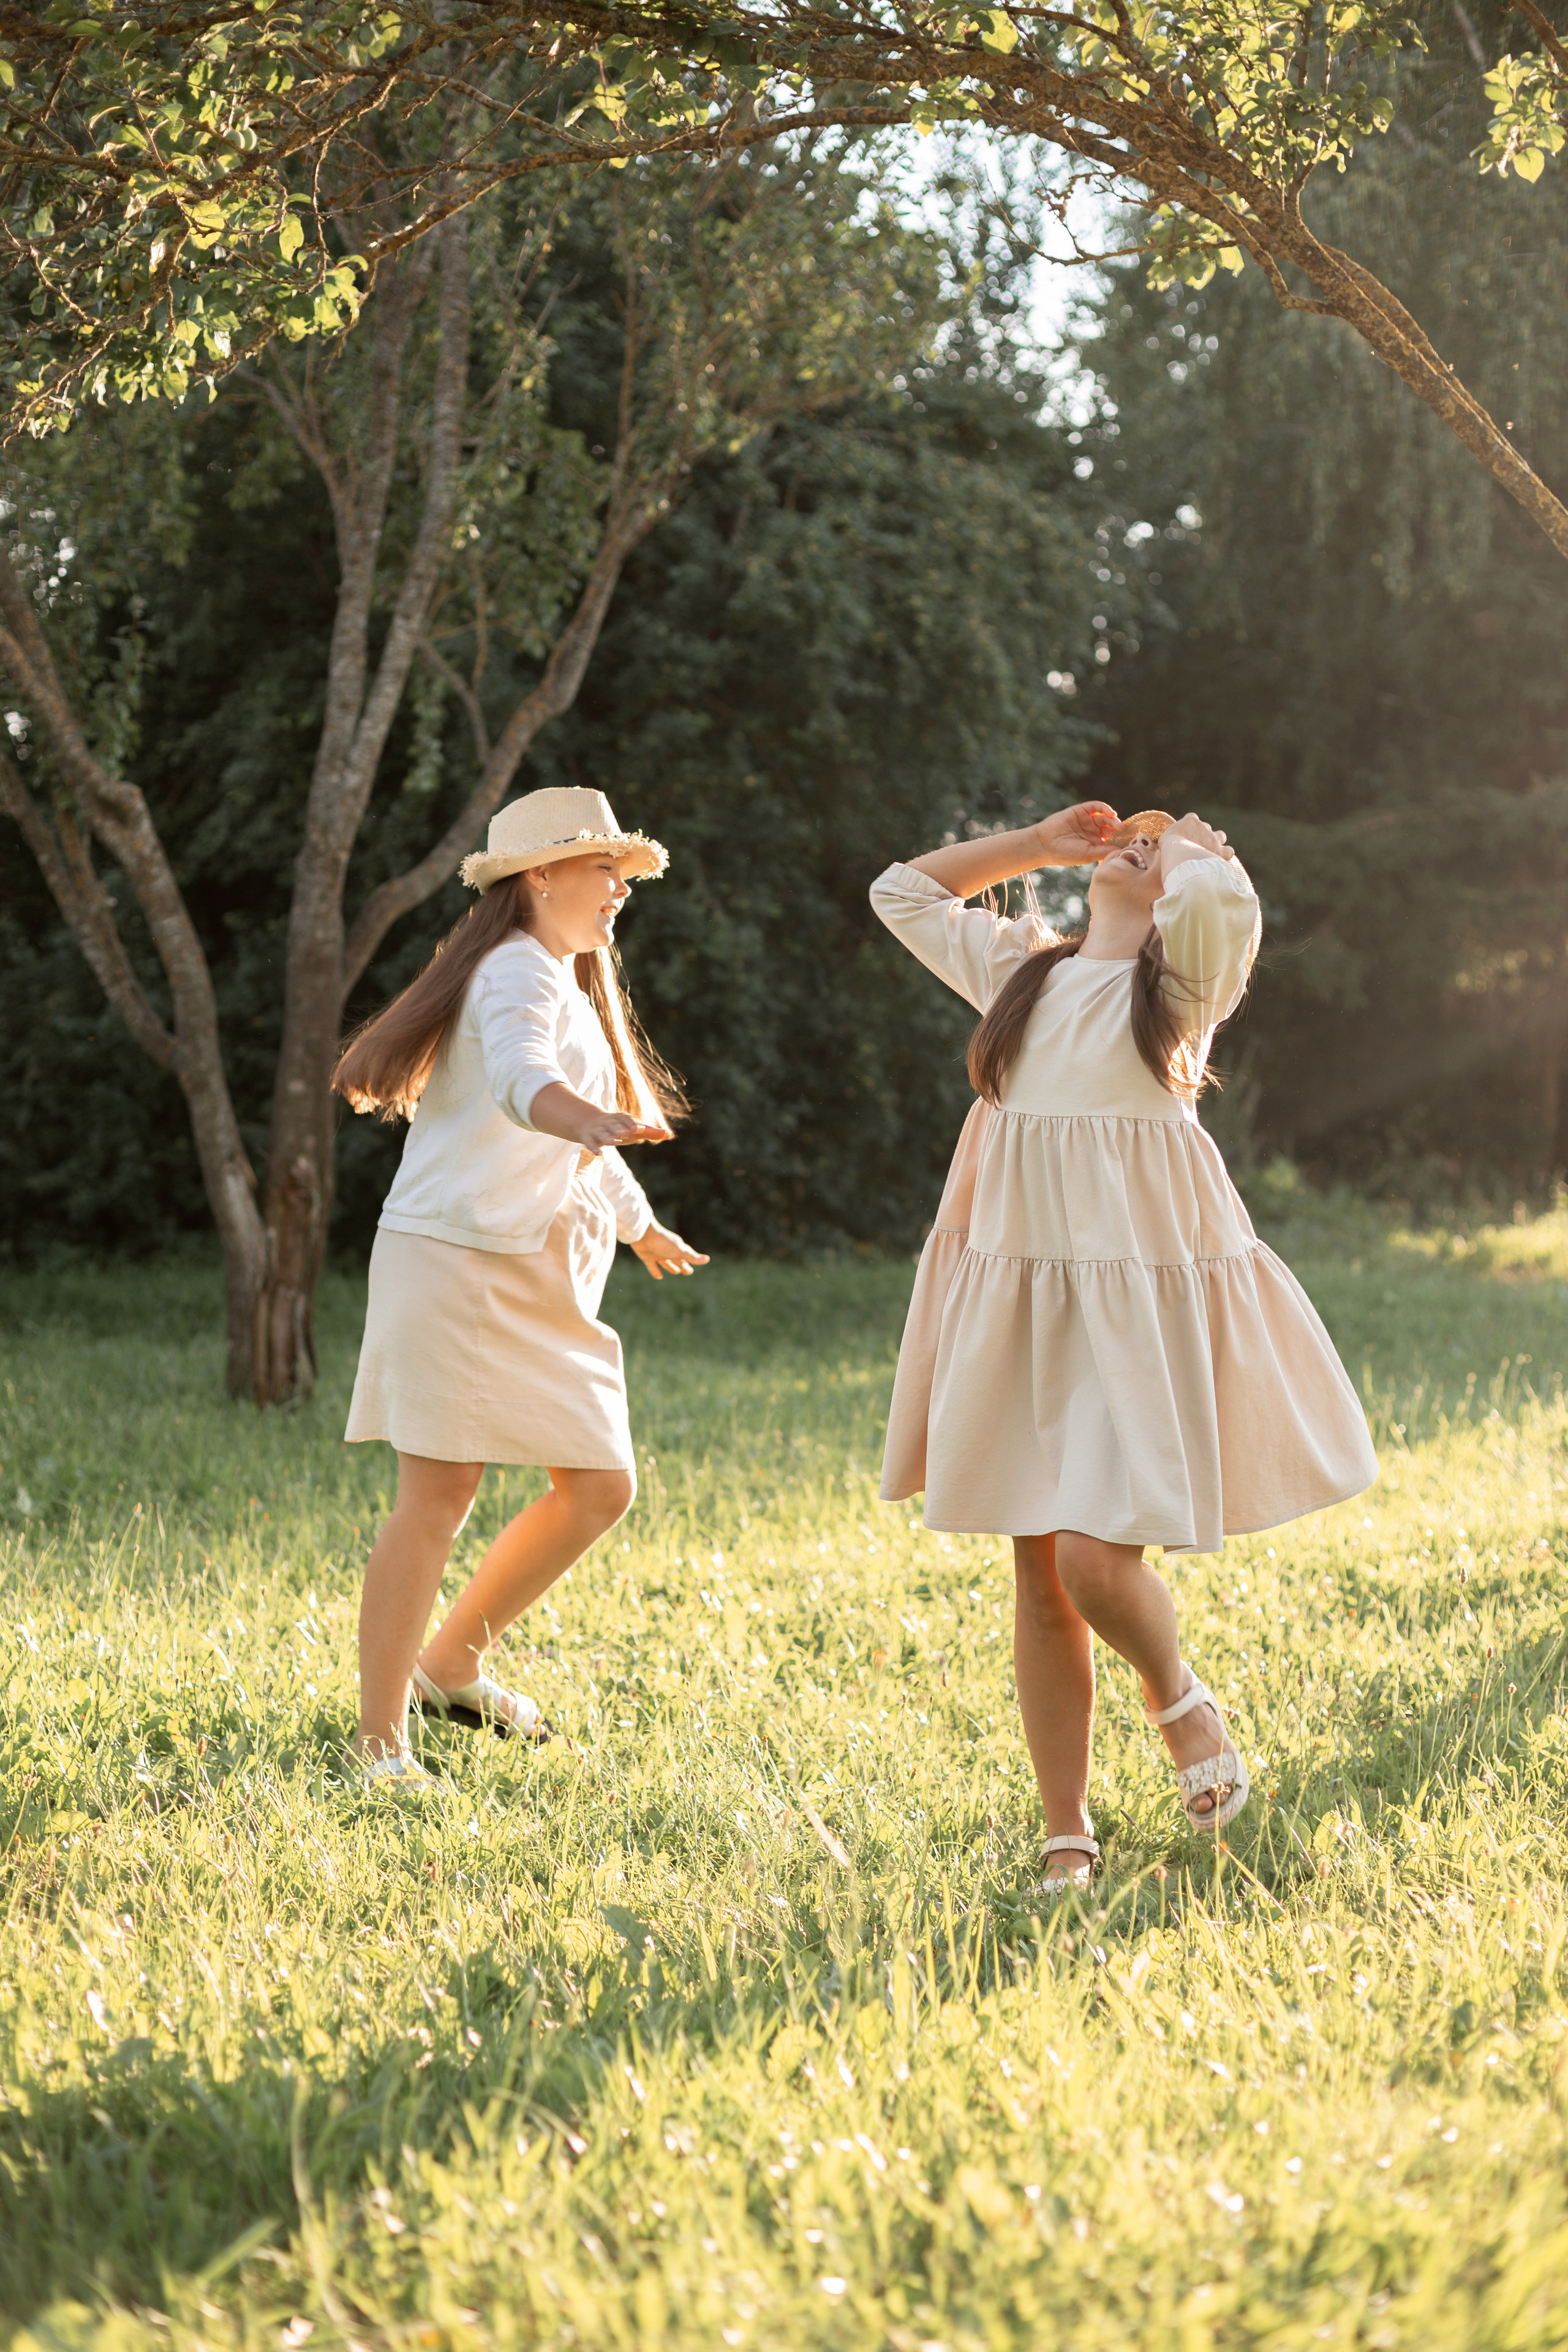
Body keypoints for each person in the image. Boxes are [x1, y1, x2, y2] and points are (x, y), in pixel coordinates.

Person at [870, 802, 1377, 1889]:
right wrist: (1039, 848)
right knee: (1039, 1569)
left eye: (1167, 848)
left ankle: (1178, 1696)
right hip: (1023, 1307)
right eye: (1138, 838)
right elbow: (901, 892)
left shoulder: (1183, 991)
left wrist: (1196, 841)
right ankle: (1067, 1827)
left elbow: (1220, 907)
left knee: (1098, 1557)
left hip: (1129, 1313)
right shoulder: (1026, 976)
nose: (1146, 844)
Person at [333, 786, 707, 1780]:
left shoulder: (553, 972)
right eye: (603, 869)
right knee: (439, 1493)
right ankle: (379, 1740)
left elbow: (573, 1120)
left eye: (625, 873)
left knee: (598, 1486)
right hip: (458, 1265)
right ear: (538, 876)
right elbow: (520, 1079)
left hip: (530, 1276)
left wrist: (639, 1224)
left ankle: (450, 1664)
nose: (620, 889)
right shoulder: (514, 975)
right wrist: (576, 1119)